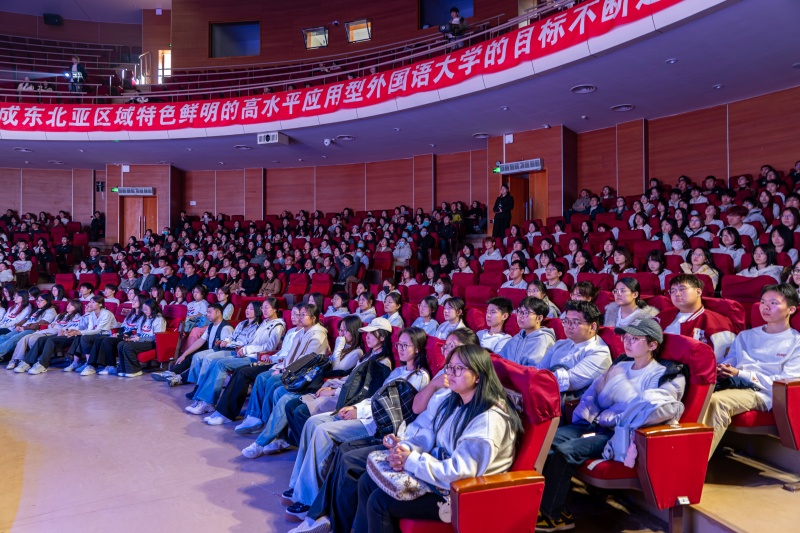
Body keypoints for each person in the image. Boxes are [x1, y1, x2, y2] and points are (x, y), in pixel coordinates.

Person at [537, 318, 685, 531]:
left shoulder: (662, 375)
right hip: (595, 424)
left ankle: (554, 515)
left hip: (620, 435)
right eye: (626, 337)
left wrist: (616, 389)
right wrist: (589, 414)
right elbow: (596, 395)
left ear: (652, 345)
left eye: (635, 339)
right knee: (547, 440)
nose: (627, 343)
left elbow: (642, 412)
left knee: (567, 451)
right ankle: (543, 504)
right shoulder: (621, 365)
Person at [353, 344, 520, 532]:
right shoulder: (456, 401)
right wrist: (406, 449)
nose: (451, 373)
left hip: (462, 495)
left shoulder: (488, 421)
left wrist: (411, 461)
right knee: (367, 481)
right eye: (450, 367)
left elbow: (460, 473)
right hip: (440, 475)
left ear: (478, 376)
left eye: (459, 368)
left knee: (380, 501)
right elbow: (430, 433)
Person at [281, 327, 431, 521]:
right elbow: (376, 397)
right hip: (366, 413)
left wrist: (359, 412)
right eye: (399, 344)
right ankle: (297, 486)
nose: (401, 349)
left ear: (417, 348)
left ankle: (307, 498)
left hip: (376, 423)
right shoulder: (398, 371)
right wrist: (356, 407)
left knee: (322, 431)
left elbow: (398, 409)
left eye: (406, 345)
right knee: (312, 422)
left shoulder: (420, 377)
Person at [703, 284, 800, 458]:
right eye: (763, 302)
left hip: (763, 392)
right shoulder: (746, 336)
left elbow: (783, 383)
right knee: (695, 392)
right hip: (735, 383)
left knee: (717, 402)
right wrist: (722, 369)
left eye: (773, 303)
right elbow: (730, 362)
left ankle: (693, 466)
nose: (766, 307)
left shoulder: (796, 342)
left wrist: (741, 374)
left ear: (791, 309)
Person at [183, 302, 265, 415]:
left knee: (214, 361)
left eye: (251, 308)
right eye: (247, 308)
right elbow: (231, 336)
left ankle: (207, 401)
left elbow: (248, 343)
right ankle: (199, 398)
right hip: (232, 349)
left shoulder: (259, 327)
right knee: (208, 359)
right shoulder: (242, 323)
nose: (247, 310)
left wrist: (231, 344)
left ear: (257, 310)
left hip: (242, 352)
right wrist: (226, 341)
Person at [538, 301, 611, 400]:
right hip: (543, 391)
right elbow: (539, 368)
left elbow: (566, 381)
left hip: (569, 403)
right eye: (566, 321)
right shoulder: (561, 344)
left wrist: (534, 378)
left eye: (575, 322)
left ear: (592, 327)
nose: (568, 326)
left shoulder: (599, 353)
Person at [655, 274, 736, 361]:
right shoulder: (662, 316)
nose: (677, 294)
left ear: (698, 292)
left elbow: (725, 361)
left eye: (682, 289)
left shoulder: (716, 323)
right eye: (673, 291)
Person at [19, 300, 84, 374]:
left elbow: (70, 327)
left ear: (76, 307)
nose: (68, 306)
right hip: (59, 333)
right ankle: (28, 362)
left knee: (50, 340)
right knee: (41, 339)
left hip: (68, 335)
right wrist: (57, 327)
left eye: (71, 305)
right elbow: (51, 325)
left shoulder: (77, 317)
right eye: (68, 304)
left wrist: (61, 329)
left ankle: (42, 364)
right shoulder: (61, 315)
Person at [499, 297, 556, 367]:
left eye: (526, 313)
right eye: (520, 311)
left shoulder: (543, 340)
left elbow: (535, 370)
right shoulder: (517, 337)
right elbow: (500, 359)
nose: (521, 316)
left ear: (539, 318)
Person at [116, 299, 166, 378]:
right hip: (140, 340)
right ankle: (124, 369)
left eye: (146, 309)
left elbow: (156, 337)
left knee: (128, 346)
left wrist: (139, 339)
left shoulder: (159, 319)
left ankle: (135, 370)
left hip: (152, 343)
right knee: (121, 344)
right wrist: (131, 338)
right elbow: (139, 333)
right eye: (143, 309)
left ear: (152, 308)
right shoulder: (143, 318)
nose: (144, 311)